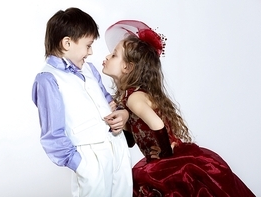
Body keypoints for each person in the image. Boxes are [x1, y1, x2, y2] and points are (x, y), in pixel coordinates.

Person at [102, 20, 256, 197]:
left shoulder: (134, 98)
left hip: (168, 159)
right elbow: (131, 141)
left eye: (113, 55)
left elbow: (157, 124)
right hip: (159, 157)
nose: (106, 57)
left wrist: (165, 155)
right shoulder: (130, 96)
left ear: (127, 67)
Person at [31, 8, 133, 197]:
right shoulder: (48, 79)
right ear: (67, 43)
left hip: (116, 148)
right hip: (90, 159)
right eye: (88, 45)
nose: (91, 51)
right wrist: (83, 166)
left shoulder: (90, 70)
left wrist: (121, 114)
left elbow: (109, 102)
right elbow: (52, 135)